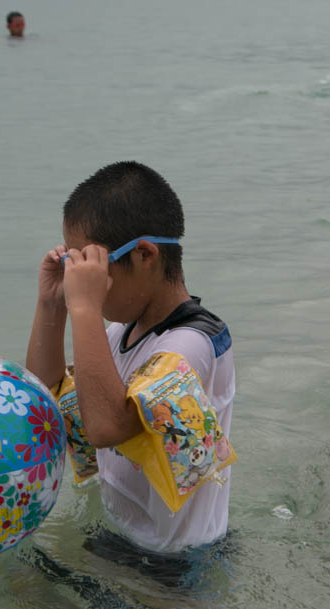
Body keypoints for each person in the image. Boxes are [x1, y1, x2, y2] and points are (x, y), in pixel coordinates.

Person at [26, 161, 235, 576]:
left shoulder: (194, 343)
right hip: (122, 541)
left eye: (92, 267)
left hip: (179, 565)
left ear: (144, 255)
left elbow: (108, 428)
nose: (80, 280)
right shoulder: (121, 331)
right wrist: (53, 304)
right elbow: (45, 395)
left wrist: (84, 307)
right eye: (74, 264)